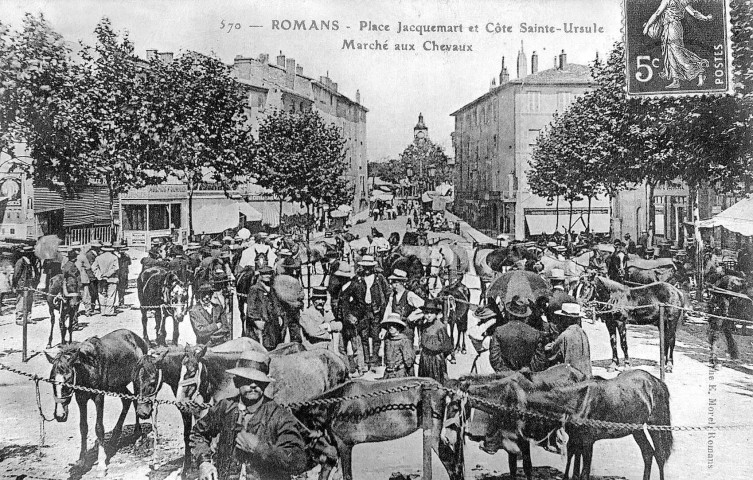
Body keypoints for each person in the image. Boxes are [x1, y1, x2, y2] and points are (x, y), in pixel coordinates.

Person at [190, 350, 309, 480]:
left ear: (265, 384)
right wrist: (204, 462)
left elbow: (298, 460)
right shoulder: (225, 407)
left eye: (258, 381)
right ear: (237, 382)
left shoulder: (279, 416)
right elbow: (198, 433)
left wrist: (260, 449)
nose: (253, 385)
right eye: (247, 380)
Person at [643, 0, 712, 89]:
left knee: (675, 53)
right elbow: (694, 13)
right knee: (673, 52)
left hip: (671, 28)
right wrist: (705, 18)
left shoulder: (667, 1)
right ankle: (676, 79)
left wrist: (647, 26)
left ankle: (698, 70)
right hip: (677, 27)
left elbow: (657, 13)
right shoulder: (683, 1)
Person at [352, 255, 390, 369]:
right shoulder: (358, 278)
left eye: (370, 267)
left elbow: (388, 292)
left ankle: (375, 360)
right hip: (363, 310)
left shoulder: (379, 278)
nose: (367, 269)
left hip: (376, 310)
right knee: (364, 335)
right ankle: (366, 359)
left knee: (376, 335)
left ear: (373, 267)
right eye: (365, 266)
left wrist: (382, 306)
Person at [332, 263, 366, 377]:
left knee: (356, 346)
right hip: (343, 322)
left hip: (352, 323)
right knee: (342, 347)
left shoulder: (356, 286)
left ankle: (360, 368)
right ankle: (346, 368)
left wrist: (354, 316)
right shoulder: (341, 288)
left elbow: (361, 305)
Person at [382, 269, 425, 348]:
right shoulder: (392, 296)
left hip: (406, 328)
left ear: (401, 283)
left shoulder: (409, 295)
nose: (393, 285)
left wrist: (412, 317)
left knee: (407, 350)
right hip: (395, 328)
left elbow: (424, 307)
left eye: (395, 282)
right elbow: (388, 311)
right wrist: (384, 328)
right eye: (393, 282)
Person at [246, 266, 283, 349]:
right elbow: (251, 307)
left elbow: (276, 303)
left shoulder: (272, 289)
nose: (267, 276)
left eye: (269, 274)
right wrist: (256, 320)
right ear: (260, 275)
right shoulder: (254, 289)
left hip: (271, 321)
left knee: (274, 344)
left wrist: (279, 315)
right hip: (260, 322)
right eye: (265, 274)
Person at [417, 299, 453, 384]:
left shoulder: (440, 327)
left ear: (436, 314)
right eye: (426, 313)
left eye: (431, 313)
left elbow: (447, 346)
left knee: (436, 383)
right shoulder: (424, 326)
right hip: (425, 359)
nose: (428, 316)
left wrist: (438, 357)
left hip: (436, 360)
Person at [300, 286, 342, 351]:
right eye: (318, 299)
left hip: (328, 349)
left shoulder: (326, 313)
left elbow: (339, 325)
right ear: (312, 300)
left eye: (323, 299)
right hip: (314, 351)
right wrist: (330, 333)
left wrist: (327, 326)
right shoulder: (306, 314)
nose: (321, 302)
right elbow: (313, 332)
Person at [380, 313, 415, 379]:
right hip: (388, 372)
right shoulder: (387, 339)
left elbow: (409, 361)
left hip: (399, 373)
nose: (391, 327)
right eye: (389, 325)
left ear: (398, 327)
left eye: (394, 325)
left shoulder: (404, 340)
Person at [91, 243, 120, 316]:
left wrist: (99, 275)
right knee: (111, 295)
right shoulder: (114, 257)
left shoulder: (98, 257)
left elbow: (93, 267)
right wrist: (108, 274)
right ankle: (109, 311)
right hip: (112, 278)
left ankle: (102, 310)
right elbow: (116, 268)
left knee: (101, 294)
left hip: (101, 279)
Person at [12, 245, 37, 326]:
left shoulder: (29, 261)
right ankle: (19, 318)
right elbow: (16, 274)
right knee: (21, 301)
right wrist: (14, 285)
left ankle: (28, 317)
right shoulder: (20, 261)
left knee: (29, 301)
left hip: (29, 285)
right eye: (30, 253)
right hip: (22, 285)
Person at [61, 246, 82, 331]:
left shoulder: (66, 265)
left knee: (67, 307)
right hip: (73, 288)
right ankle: (74, 325)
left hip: (66, 288)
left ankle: (63, 323)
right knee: (74, 307)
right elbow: (77, 278)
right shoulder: (73, 266)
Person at [116, 242, 131, 307]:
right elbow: (130, 263)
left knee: (122, 288)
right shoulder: (125, 256)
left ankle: (121, 301)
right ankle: (121, 302)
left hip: (123, 274)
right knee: (121, 288)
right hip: (121, 274)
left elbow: (129, 263)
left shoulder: (125, 256)